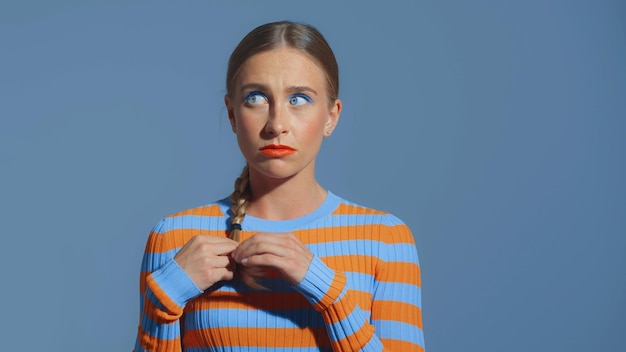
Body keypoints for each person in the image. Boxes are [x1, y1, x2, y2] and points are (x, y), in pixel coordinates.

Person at [134, 21, 425, 351]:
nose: (276, 124)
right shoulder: (174, 236)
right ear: (231, 114)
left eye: (299, 99)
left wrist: (327, 290)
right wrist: (162, 300)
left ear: (332, 116)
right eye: (256, 98)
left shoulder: (385, 239)